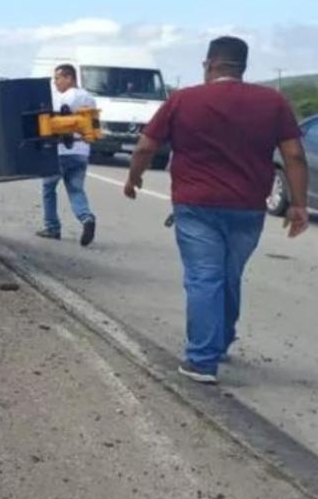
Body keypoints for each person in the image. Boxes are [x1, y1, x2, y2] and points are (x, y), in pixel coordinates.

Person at [125, 36, 309, 384]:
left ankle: (201, 360)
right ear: (242, 66)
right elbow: (295, 155)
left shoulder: (183, 99)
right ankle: (220, 340)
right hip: (248, 208)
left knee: (204, 276)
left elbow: (146, 147)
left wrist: (134, 179)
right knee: (228, 274)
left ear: (209, 64)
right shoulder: (273, 102)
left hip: (197, 204)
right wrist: (298, 205)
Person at [38, 64, 98, 246]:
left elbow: (50, 121)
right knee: (75, 189)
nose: (55, 83)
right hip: (82, 152)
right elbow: (94, 124)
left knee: (48, 188)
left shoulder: (64, 98)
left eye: (57, 78)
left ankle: (52, 227)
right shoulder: (89, 98)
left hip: (62, 151)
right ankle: (86, 218)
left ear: (69, 78)